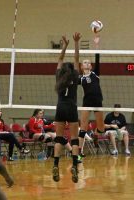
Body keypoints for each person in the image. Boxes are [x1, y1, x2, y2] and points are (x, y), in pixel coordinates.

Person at [52, 33, 81, 183]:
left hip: (60, 107)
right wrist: (76, 43)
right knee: (74, 139)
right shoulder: (75, 77)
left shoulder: (59, 76)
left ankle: (56, 164)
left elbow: (60, 59)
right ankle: (75, 165)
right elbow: (76, 59)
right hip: (72, 108)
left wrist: (65, 45)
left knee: (59, 138)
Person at [78, 37, 105, 158]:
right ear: (81, 67)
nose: (87, 63)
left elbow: (97, 58)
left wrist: (97, 45)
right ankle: (79, 150)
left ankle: (95, 134)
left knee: (101, 128)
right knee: (83, 127)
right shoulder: (80, 78)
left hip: (98, 101)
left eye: (89, 62)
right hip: (87, 102)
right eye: (85, 62)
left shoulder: (96, 74)